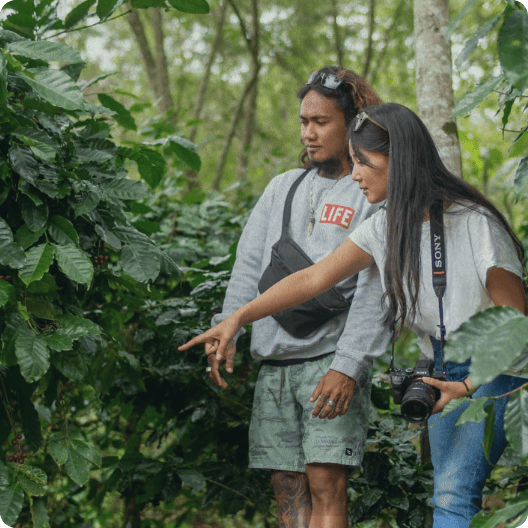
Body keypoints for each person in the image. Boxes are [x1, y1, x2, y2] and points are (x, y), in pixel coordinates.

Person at [179, 103, 528, 528]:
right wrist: (237, 318)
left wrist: (469, 384)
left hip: (498, 366)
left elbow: (516, 325)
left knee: (454, 494)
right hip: (442, 365)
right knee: (448, 496)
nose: (355, 174)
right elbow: (312, 279)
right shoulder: (384, 226)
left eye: (363, 161)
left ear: (399, 160)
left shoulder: (475, 224)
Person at [199, 66, 389, 528]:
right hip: (275, 365)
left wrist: (348, 366)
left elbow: (376, 291)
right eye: (303, 121)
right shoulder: (282, 186)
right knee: (287, 493)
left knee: (327, 485)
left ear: (353, 120)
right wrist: (230, 327)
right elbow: (249, 265)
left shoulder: (373, 190)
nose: (308, 132)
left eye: (321, 121)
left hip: (329, 360)